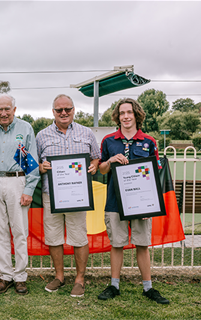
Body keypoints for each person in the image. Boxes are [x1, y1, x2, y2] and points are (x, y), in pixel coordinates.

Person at [97, 98, 169, 304]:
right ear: (117, 117)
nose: (125, 116)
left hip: (142, 202)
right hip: (114, 201)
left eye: (129, 112)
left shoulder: (149, 141)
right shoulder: (109, 140)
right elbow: (101, 170)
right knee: (117, 244)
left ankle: (148, 288)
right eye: (121, 113)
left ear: (136, 114)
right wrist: (110, 160)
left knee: (142, 244)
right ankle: (114, 285)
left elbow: (154, 174)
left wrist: (150, 204)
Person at [36, 94, 100, 298]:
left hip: (77, 195)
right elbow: (34, 165)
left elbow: (96, 158)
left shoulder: (87, 133)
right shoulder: (42, 136)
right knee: (54, 237)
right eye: (59, 110)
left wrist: (94, 165)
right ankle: (60, 276)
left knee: (79, 237)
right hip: (51, 195)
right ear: (52, 112)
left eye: (68, 109)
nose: (63, 113)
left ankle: (79, 279)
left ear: (74, 110)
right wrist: (41, 167)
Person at [0, 93, 40, 295]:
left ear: (14, 110)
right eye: (0, 109)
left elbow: (32, 161)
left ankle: (21, 276)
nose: (3, 113)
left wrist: (28, 189)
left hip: (18, 180)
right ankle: (5, 275)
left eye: (7, 109)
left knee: (19, 231)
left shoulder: (25, 128)